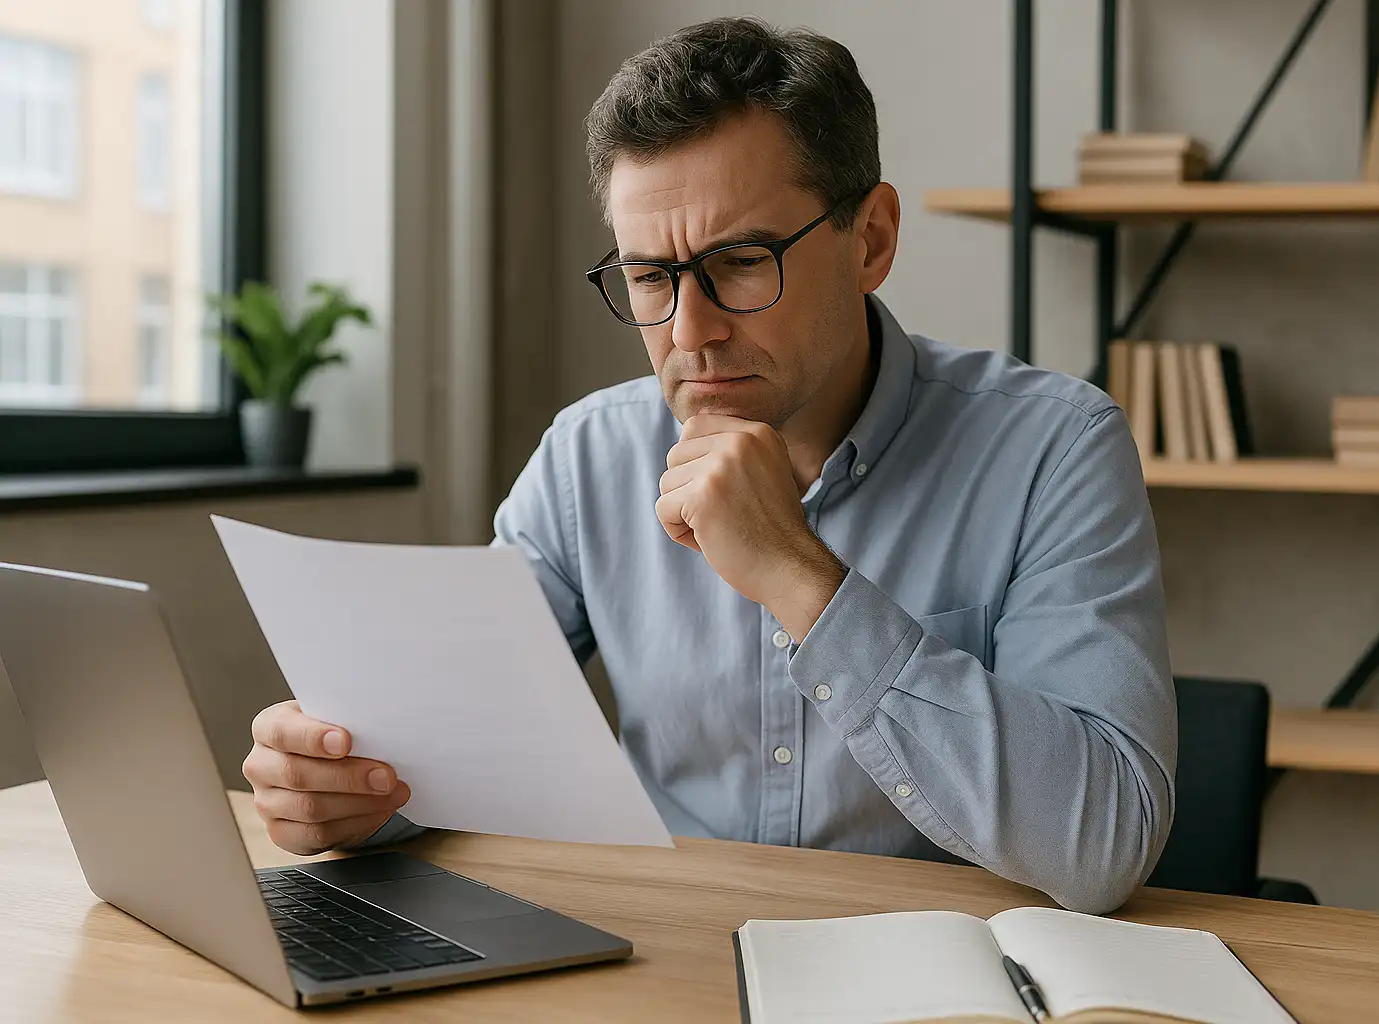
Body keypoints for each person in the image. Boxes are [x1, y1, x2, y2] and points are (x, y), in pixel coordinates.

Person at [243, 17, 1175, 914]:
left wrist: (801, 577)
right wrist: (351, 792)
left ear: (872, 241)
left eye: (740, 262)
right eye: (650, 277)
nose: (689, 334)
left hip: (936, 975)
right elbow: (453, 748)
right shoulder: (587, 460)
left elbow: (1103, 846)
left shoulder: (1055, 447)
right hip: (667, 954)